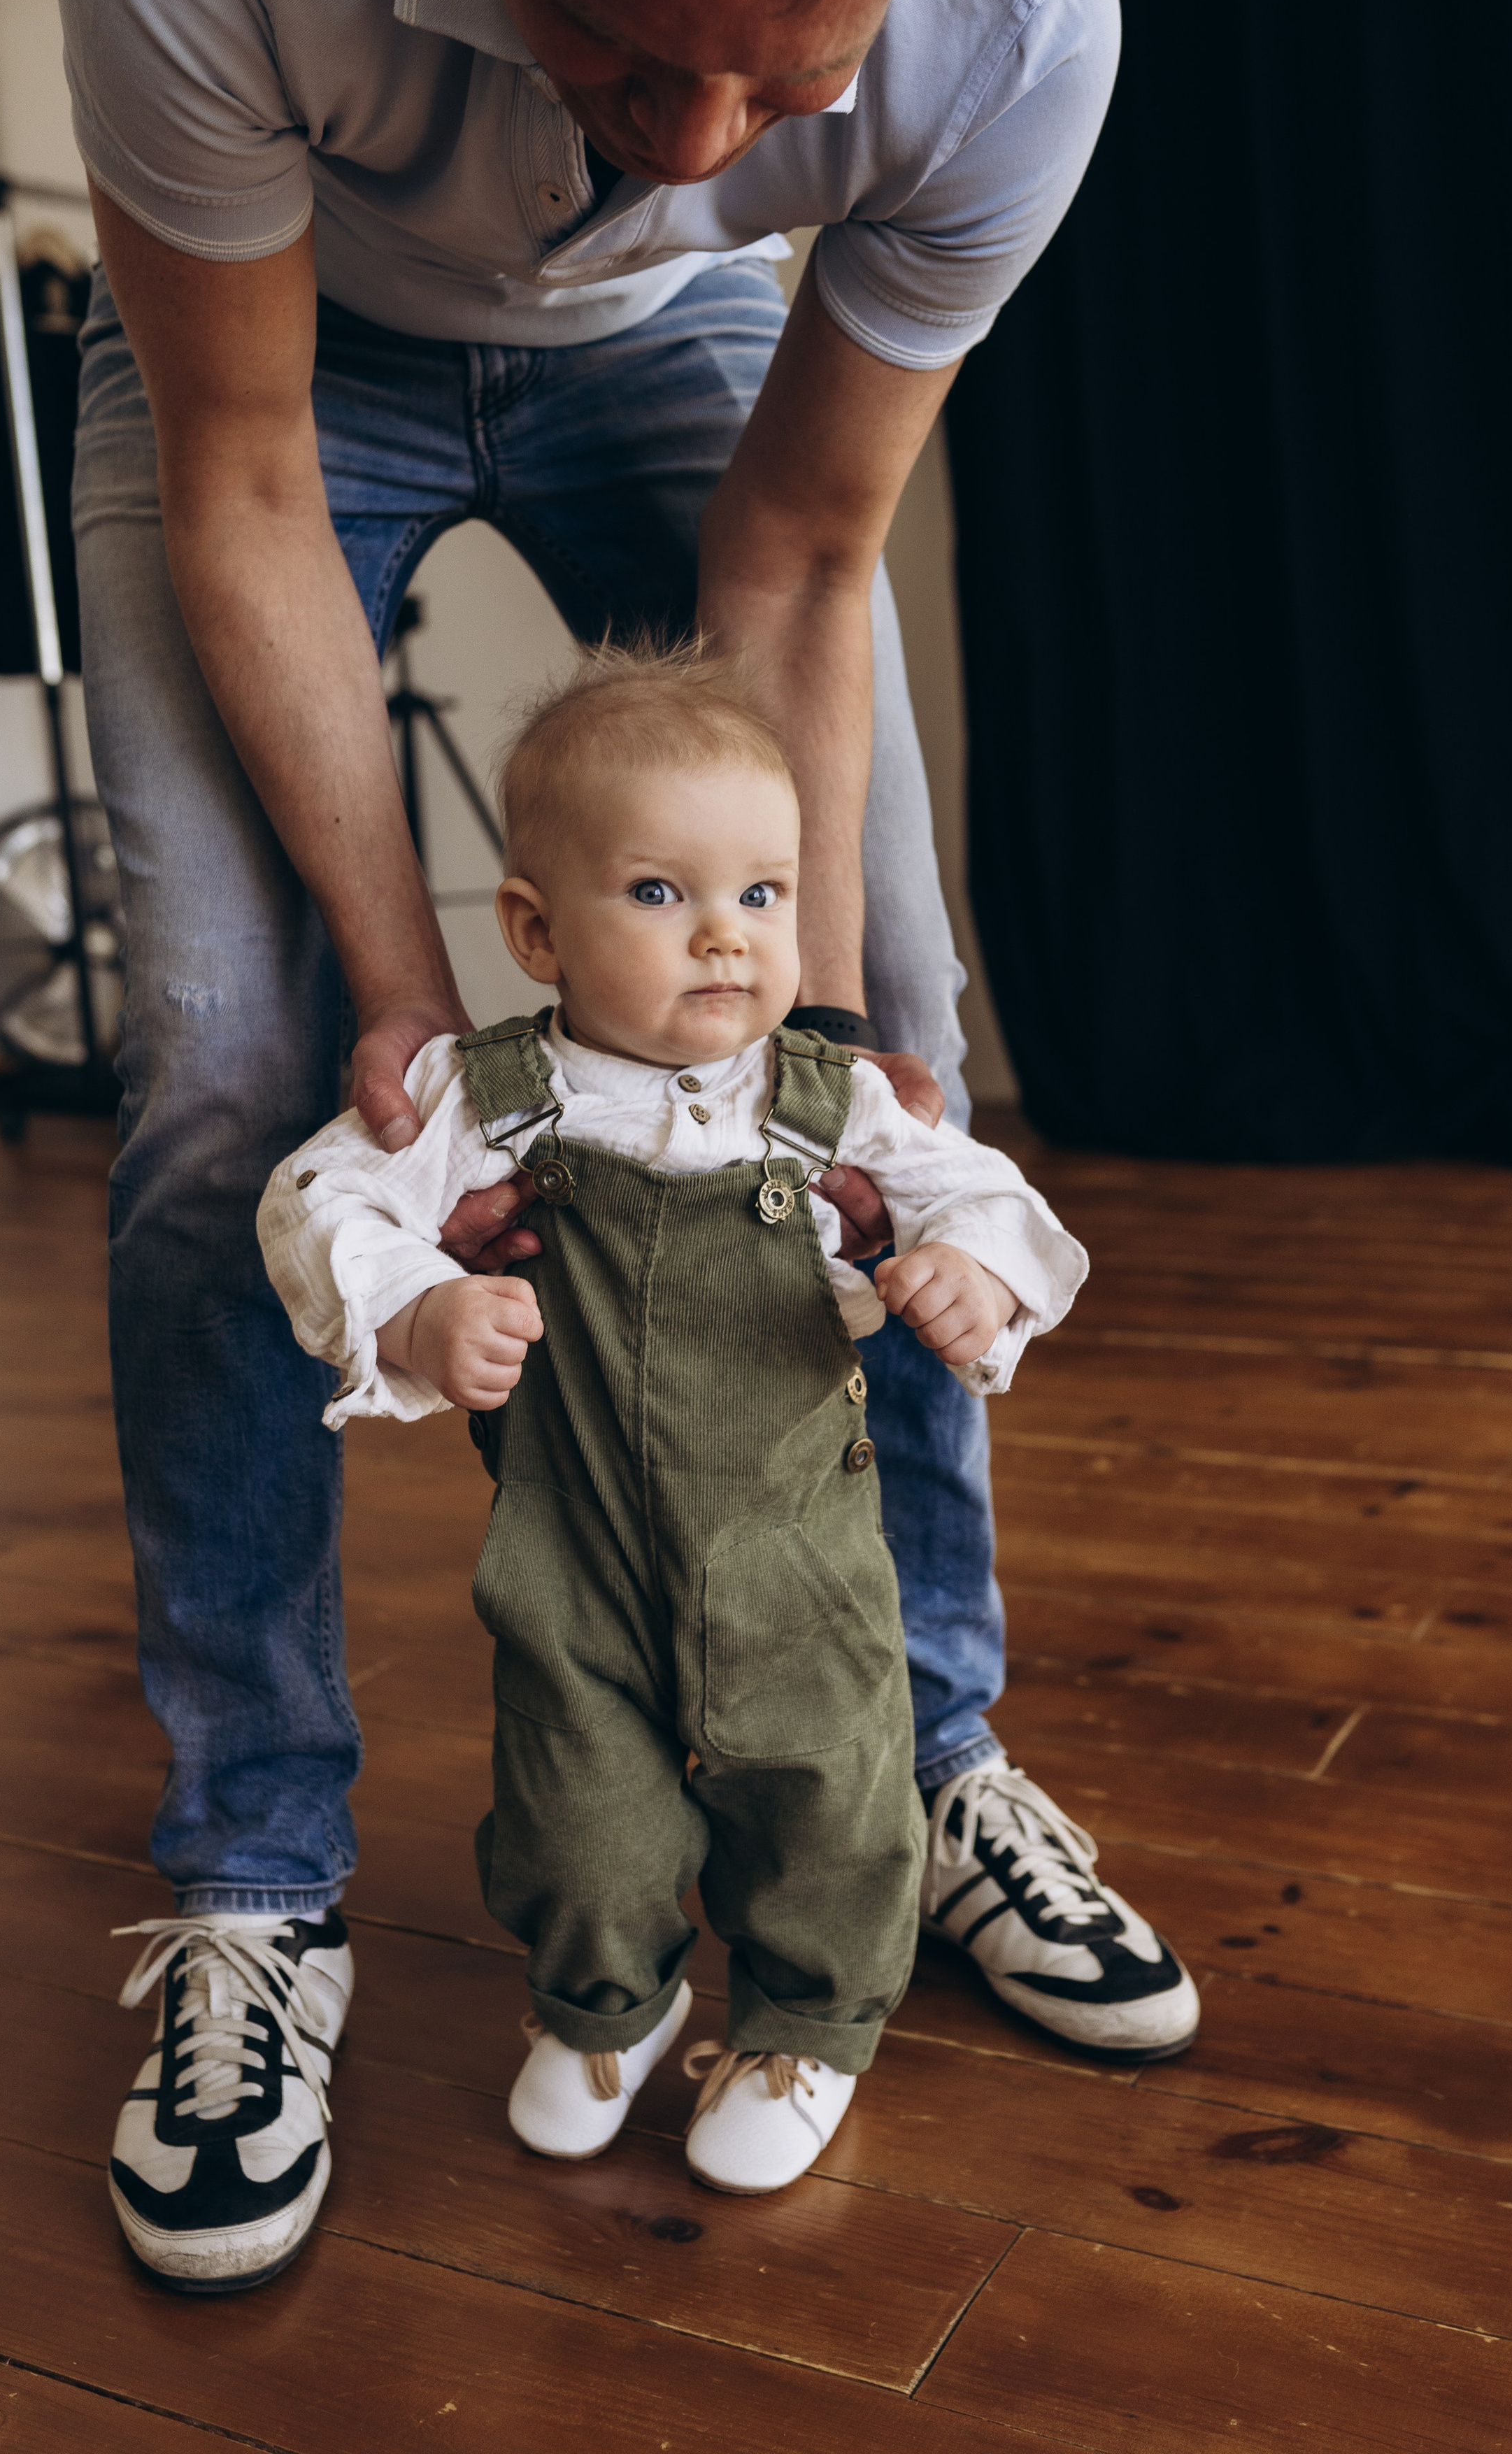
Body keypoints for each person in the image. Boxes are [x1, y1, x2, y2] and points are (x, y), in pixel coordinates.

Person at [50, 0, 1199, 2290]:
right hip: (259, 365)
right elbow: (239, 471)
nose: (679, 138)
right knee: (247, 1069)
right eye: (600, 27)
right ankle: (256, 1880)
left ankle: (924, 1747)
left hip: (686, 366)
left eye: (778, 92)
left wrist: (849, 1027)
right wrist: (403, 1009)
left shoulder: (1019, 4)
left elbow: (798, 541)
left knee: (878, 1039)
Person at [242, 646, 1086, 2226]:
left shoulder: (830, 1100)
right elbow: (316, 1200)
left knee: (827, 1779)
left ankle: (805, 2024)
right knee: (575, 1800)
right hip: (569, 1546)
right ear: (532, 929)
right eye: (659, 891)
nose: (725, 935)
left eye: (763, 895)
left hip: (791, 1545)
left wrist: (972, 1273)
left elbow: (985, 1193)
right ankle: (607, 2003)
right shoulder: (486, 1100)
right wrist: (417, 1308)